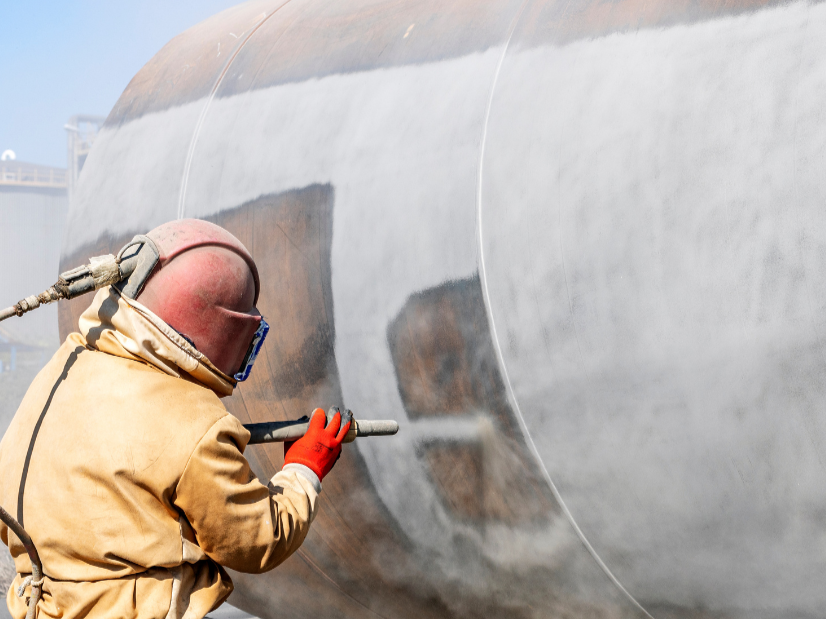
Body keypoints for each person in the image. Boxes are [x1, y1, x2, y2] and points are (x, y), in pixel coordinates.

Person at [0, 219, 349, 619]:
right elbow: (256, 541)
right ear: (222, 332)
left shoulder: (65, 367)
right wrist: (304, 471)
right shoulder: (196, 424)